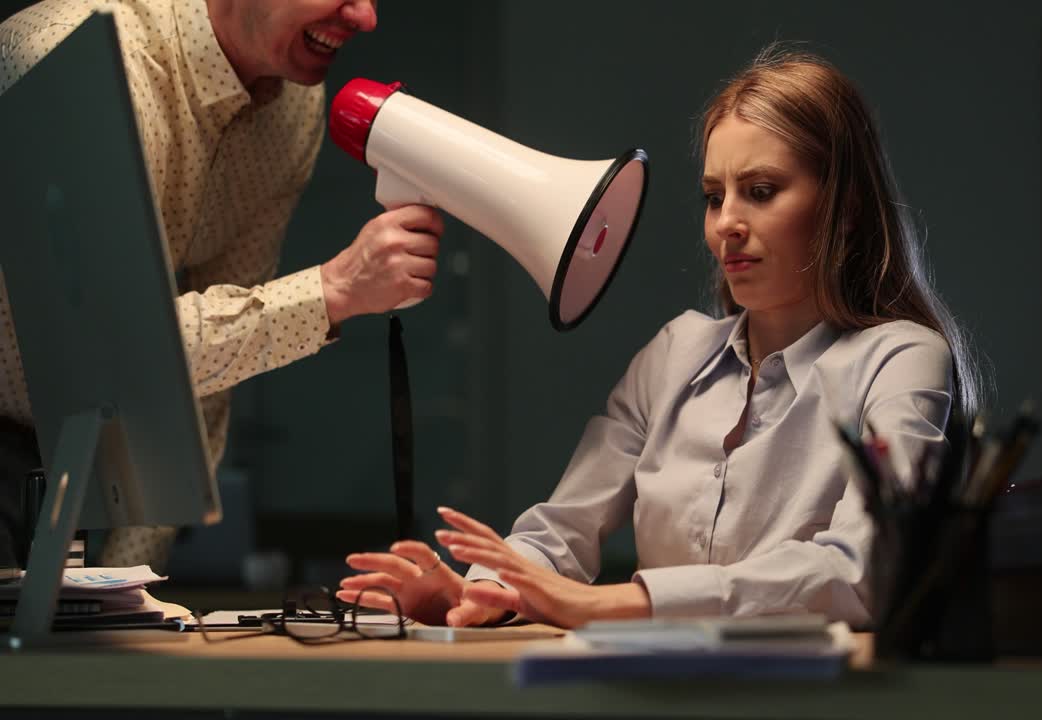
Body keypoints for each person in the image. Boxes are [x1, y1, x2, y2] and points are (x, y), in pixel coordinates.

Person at [338, 45, 983, 628]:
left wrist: (612, 602)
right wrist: (478, 591)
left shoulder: (900, 359)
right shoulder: (675, 354)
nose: (726, 223)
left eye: (760, 191)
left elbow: (862, 571)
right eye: (712, 196)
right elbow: (560, 534)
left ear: (842, 208)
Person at [0, 0, 443, 569]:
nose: (366, 16)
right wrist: (336, 289)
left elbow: (208, 370)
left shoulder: (294, 105)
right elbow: (102, 356)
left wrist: (130, 580)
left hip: (63, 458)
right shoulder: (80, 63)